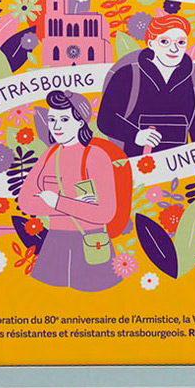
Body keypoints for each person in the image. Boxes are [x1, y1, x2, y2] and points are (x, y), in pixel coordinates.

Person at [17, 90, 124, 292]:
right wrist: (77, 204)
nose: (56, 126)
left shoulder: (96, 157)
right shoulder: (50, 155)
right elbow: (25, 201)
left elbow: (105, 212)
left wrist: (57, 202)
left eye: (64, 119)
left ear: (81, 121)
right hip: (55, 244)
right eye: (52, 119)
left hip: (91, 243)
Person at [95, 13, 195, 157]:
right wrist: (136, 135)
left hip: (181, 163)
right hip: (136, 162)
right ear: (151, 43)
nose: (174, 49)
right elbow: (106, 119)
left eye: (180, 42)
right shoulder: (128, 74)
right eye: (165, 41)